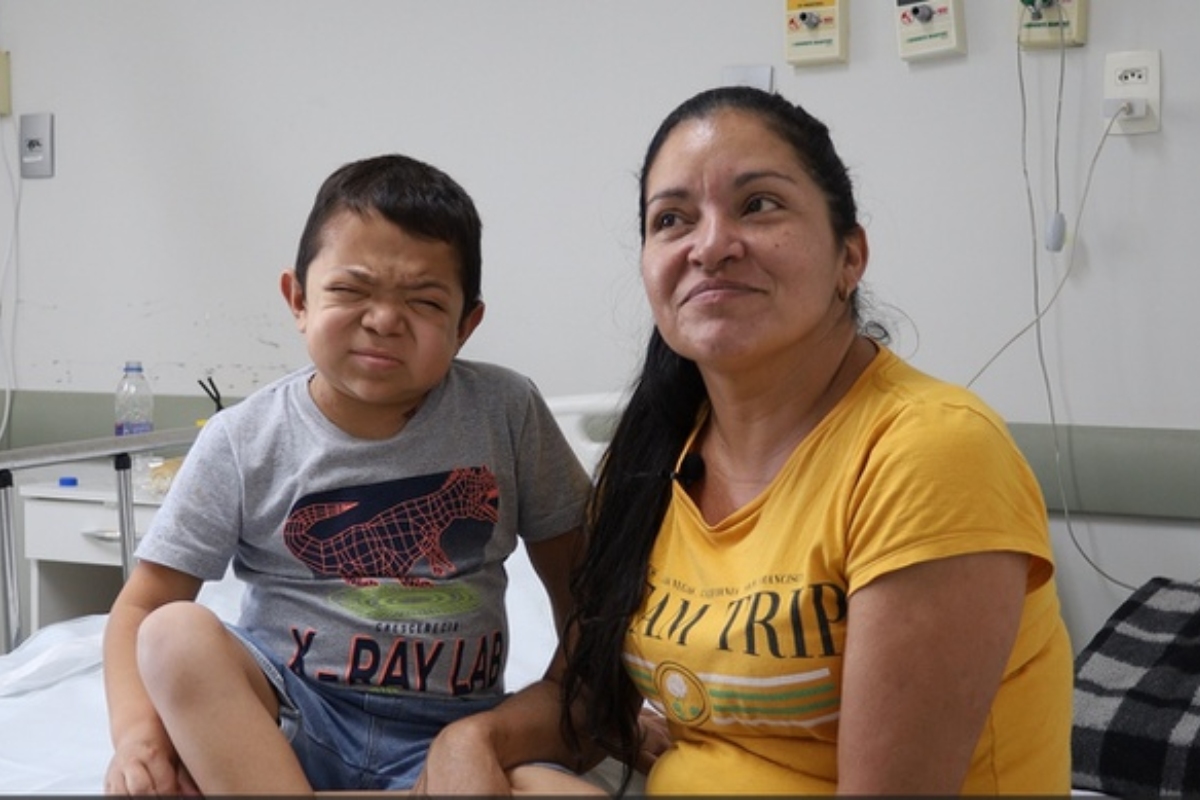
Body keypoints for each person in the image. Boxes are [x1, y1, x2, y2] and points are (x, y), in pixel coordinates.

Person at [418, 85, 1074, 795]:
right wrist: (469, 739)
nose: (710, 246)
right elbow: (588, 696)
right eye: (671, 219)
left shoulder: (929, 451)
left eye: (759, 205)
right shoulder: (652, 463)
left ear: (849, 257)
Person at [101, 154, 596, 795]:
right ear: (299, 300)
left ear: (465, 325)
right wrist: (140, 736)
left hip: (451, 739)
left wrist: (579, 710)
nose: (384, 319)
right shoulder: (244, 438)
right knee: (172, 633)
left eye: (423, 300)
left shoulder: (504, 412)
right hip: (286, 724)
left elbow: (586, 590)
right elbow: (141, 605)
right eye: (351, 290)